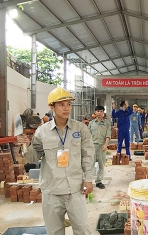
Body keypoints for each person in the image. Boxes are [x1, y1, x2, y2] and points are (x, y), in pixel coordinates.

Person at [19, 87, 94, 235]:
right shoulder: (42, 131)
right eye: (61, 104)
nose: (66, 108)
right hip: (51, 191)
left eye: (69, 104)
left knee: (83, 230)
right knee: (54, 232)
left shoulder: (80, 129)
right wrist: (27, 145)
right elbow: (33, 158)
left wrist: (89, 179)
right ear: (51, 107)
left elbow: (88, 155)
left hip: (75, 190)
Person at [88, 105, 111, 189]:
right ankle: (88, 181)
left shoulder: (107, 123)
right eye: (98, 111)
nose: (99, 113)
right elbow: (87, 136)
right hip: (92, 146)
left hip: (102, 146)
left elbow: (108, 135)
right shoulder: (91, 123)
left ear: (103, 113)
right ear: (95, 112)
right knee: (90, 165)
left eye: (101, 111)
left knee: (101, 165)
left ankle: (98, 181)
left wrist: (106, 144)